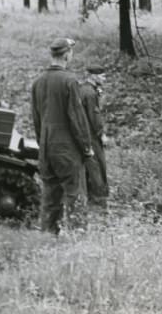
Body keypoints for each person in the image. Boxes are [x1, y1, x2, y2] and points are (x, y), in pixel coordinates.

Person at [31, 37, 93, 233]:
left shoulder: (38, 82)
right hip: (67, 150)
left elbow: (36, 120)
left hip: (46, 148)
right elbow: (77, 118)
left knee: (50, 199)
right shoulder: (70, 81)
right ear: (67, 54)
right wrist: (86, 147)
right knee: (76, 196)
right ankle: (79, 241)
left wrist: (44, 144)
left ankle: (49, 239)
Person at [80, 65, 109, 207]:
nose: (104, 78)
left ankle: (89, 197)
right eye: (102, 76)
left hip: (82, 134)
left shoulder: (82, 89)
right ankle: (98, 200)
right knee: (98, 166)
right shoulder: (90, 94)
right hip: (91, 135)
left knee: (87, 167)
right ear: (93, 76)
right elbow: (94, 116)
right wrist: (101, 134)